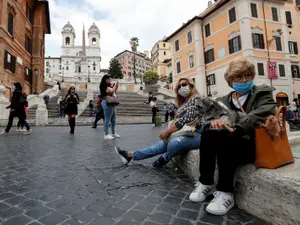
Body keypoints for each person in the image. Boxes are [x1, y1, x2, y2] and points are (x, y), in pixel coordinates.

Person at [189, 59, 277, 216]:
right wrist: (215, 122)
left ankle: (226, 193)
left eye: (248, 76)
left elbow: (260, 114)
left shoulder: (263, 94)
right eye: (239, 77)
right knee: (209, 133)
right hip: (228, 143)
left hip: (253, 144)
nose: (244, 80)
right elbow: (208, 120)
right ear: (230, 81)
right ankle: (206, 182)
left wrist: (233, 125)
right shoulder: (223, 100)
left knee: (227, 136)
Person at [115, 78, 202, 168]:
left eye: (184, 84)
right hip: (184, 133)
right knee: (159, 146)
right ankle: (129, 155)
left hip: (198, 134)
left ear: (191, 85)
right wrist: (168, 134)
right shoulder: (183, 103)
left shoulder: (197, 99)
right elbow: (177, 120)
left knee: (174, 144)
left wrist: (167, 132)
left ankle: (165, 157)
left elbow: (185, 120)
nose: (181, 88)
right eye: (179, 86)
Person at [100, 75, 121, 140]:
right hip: (107, 102)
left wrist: (116, 87)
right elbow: (111, 92)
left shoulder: (109, 85)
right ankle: (106, 134)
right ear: (105, 79)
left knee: (113, 119)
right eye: (109, 79)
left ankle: (113, 133)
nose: (110, 80)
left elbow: (114, 92)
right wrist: (115, 86)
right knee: (107, 119)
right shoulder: (103, 85)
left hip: (112, 103)